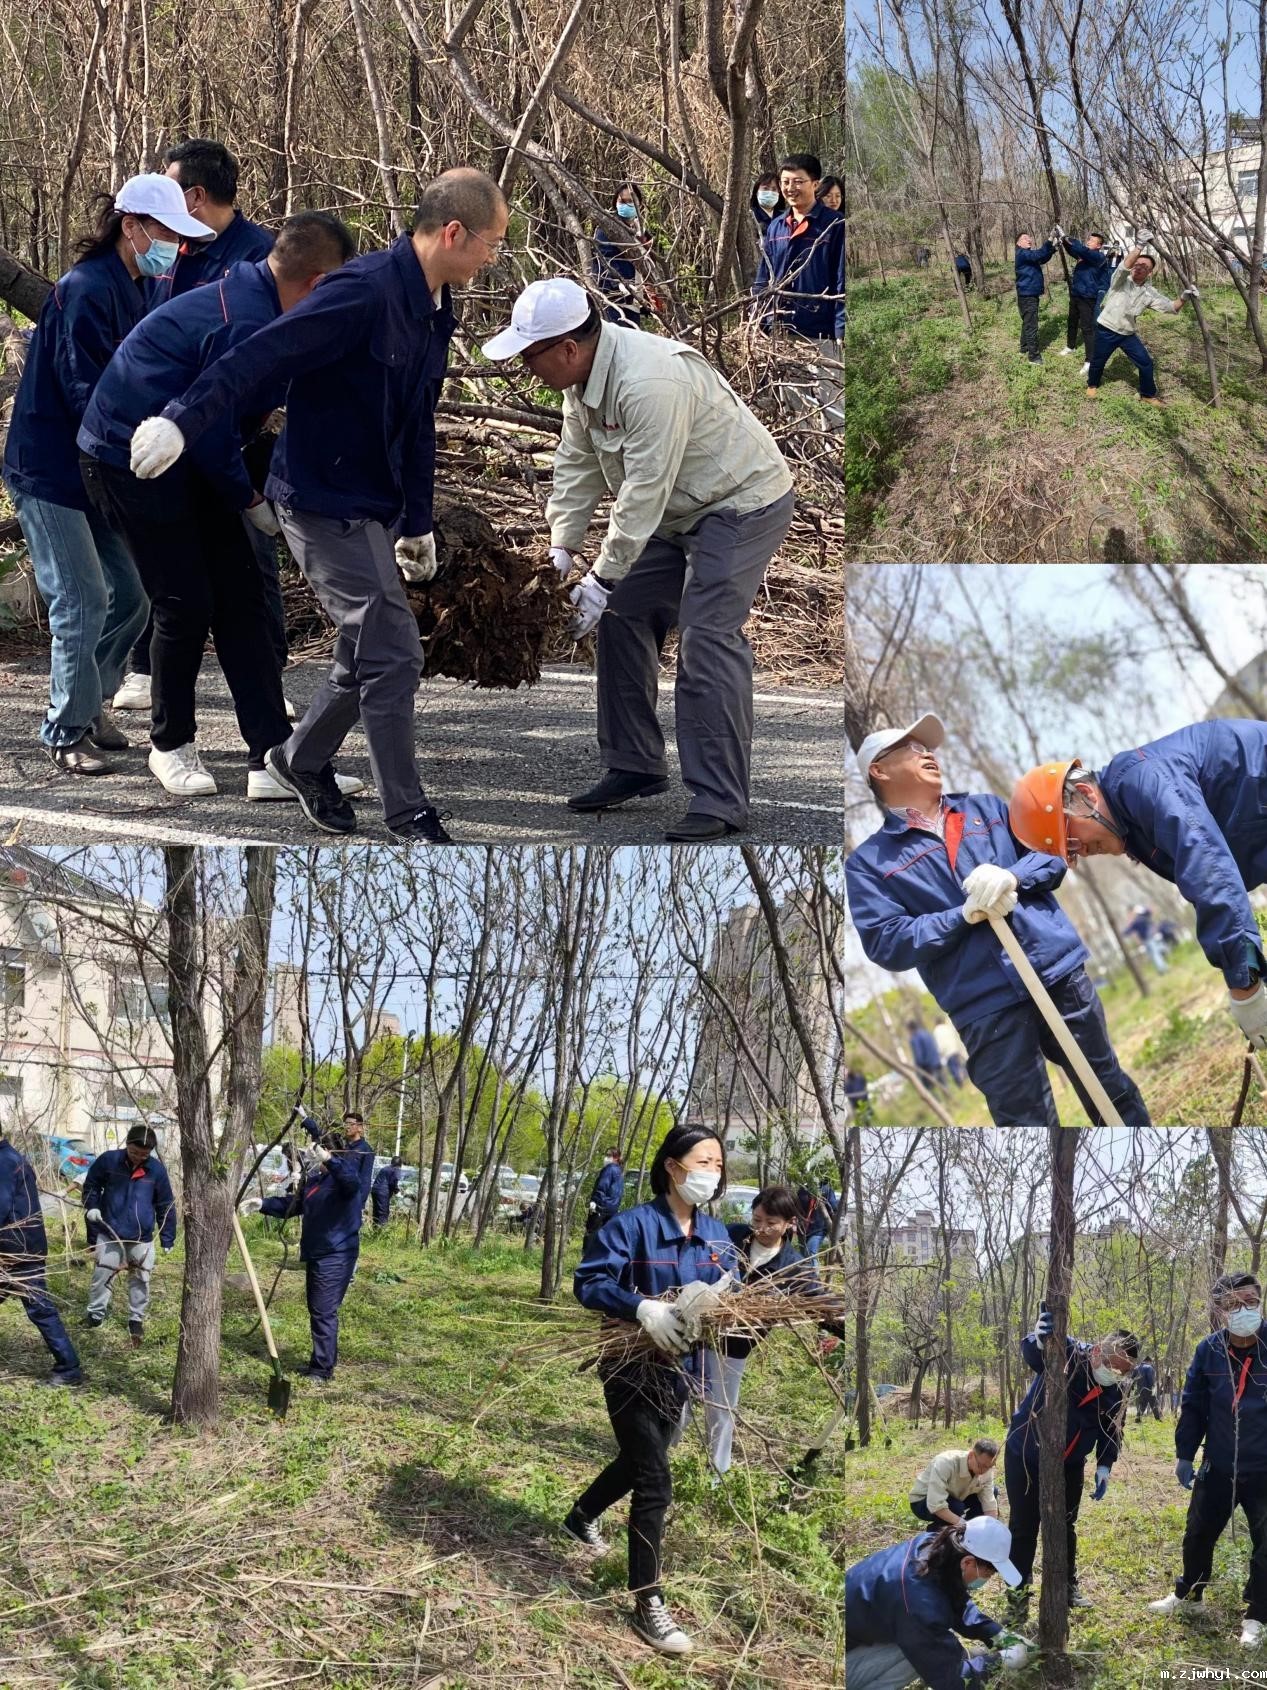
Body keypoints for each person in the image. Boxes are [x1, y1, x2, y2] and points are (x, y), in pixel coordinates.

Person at [128, 168, 510, 843]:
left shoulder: (434, 305)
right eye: (490, 243)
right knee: (393, 653)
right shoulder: (359, 292)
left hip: (374, 506)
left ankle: (299, 759)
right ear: (452, 232)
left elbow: (418, 420)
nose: (491, 257)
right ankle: (406, 813)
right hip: (318, 502)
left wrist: (417, 524)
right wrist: (182, 421)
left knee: (364, 653)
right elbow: (260, 354)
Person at [481, 277, 793, 842]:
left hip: (740, 504)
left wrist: (599, 578)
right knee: (623, 612)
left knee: (706, 636)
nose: (527, 367)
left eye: (530, 355)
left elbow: (643, 492)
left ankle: (720, 799)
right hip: (677, 512)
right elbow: (577, 467)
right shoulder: (582, 384)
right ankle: (635, 764)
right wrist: (562, 550)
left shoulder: (649, 382)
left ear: (568, 348)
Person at [80, 213, 360, 800]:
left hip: (196, 453)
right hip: (128, 456)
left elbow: (235, 426)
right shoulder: (247, 320)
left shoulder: (266, 300)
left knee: (244, 601)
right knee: (185, 600)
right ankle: (170, 744)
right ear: (317, 283)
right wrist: (249, 497)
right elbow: (205, 426)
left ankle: (272, 756)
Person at [847, 711, 1151, 1128]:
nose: (928, 753)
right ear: (879, 770)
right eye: (913, 748)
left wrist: (1013, 875)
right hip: (984, 1008)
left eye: (929, 747)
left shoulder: (988, 809)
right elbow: (886, 941)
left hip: (1056, 974)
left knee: (1109, 1088)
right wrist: (963, 915)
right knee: (1025, 1126)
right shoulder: (869, 863)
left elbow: (1051, 854)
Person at [1, 174, 208, 774]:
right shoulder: (86, 289)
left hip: (98, 467)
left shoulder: (138, 285)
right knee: (81, 599)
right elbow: (83, 390)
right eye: (167, 233)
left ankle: (89, 705)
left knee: (135, 597)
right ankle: (65, 731)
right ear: (131, 227)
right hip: (51, 469)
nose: (176, 246)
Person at [115, 136, 282, 718]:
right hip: (160, 424)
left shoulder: (258, 259)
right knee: (162, 562)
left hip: (227, 430)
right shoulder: (171, 246)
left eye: (170, 187)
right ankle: (144, 667)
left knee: (249, 565)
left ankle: (268, 680)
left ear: (196, 195)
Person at [563, 1122, 738, 1655]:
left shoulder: (718, 1237)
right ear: (672, 1165)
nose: (712, 1173)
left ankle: (580, 1516)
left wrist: (718, 1314)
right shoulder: (632, 1226)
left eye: (718, 1164)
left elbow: (733, 1294)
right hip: (627, 1366)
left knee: (645, 1458)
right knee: (656, 1480)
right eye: (702, 1162)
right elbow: (588, 1282)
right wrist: (640, 1307)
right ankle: (648, 1600)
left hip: (680, 1370)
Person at [1010, 722, 1267, 1052]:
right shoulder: (1131, 823)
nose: (1083, 853)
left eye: (1072, 841)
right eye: (1071, 854)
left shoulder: (1141, 782)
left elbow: (1207, 866)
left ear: (1086, 797)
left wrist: (1244, 983)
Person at [1149, 1273, 1267, 1648]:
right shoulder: (1209, 1350)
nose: (1243, 1310)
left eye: (1249, 1301)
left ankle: (1257, 1614)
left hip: (1264, 1469)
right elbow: (1194, 1405)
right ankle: (1189, 1594)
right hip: (1218, 1464)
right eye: (1233, 1304)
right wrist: (1185, 1455)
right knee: (1198, 1531)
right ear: (1220, 1310)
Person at [1003, 1307, 1136, 1615]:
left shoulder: (1115, 1393)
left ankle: (1065, 1587)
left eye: (1119, 1371)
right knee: (1023, 1527)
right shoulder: (1069, 1352)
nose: (1109, 1372)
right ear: (1098, 1349)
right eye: (1107, 1363)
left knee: (1065, 1526)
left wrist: (1105, 1464)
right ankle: (1016, 1595)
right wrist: (1038, 1339)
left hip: (1070, 1464)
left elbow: (1112, 1431)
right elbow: (1034, 1355)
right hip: (1025, 1454)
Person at [706, 1185, 843, 1475]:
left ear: (789, 1223)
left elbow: (818, 1304)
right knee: (679, 1396)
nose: (761, 1229)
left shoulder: (794, 1266)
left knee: (721, 1409)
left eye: (771, 1223)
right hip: (697, 1334)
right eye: (757, 1220)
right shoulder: (732, 1236)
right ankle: (664, 1455)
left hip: (735, 1347)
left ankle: (716, 1473)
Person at [845, 1516, 1027, 1690]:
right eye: (987, 1574)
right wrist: (1001, 1661)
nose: (986, 1580)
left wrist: (998, 1634)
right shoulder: (917, 1604)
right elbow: (953, 1681)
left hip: (862, 1635)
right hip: (843, 1663)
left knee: (928, 1642)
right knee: (920, 1653)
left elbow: (955, 1598)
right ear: (968, 1562)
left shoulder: (937, 1545)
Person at [752, 152, 844, 432]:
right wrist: (758, 316)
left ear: (814, 184)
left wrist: (841, 327)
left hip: (819, 331)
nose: (790, 188)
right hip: (782, 329)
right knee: (794, 404)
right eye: (785, 182)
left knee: (831, 403)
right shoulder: (777, 226)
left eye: (798, 182)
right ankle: (806, 453)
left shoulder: (834, 225)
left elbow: (842, 280)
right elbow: (764, 276)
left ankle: (836, 453)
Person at [0, 1130, 83, 1385]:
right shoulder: (12, 1158)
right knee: (41, 1310)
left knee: (41, 1310)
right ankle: (69, 1367)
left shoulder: (5, 1162)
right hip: (20, 1247)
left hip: (17, 1252)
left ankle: (69, 1369)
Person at [81, 1124, 177, 1342]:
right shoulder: (109, 1160)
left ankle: (136, 1319)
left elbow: (165, 1204)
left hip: (141, 1238)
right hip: (110, 1231)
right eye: (134, 1152)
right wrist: (92, 1206)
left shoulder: (156, 1170)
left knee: (141, 1279)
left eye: (144, 1154)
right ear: (127, 1145)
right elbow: (91, 1186)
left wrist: (167, 1237)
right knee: (102, 1275)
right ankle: (96, 1315)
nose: (138, 1158)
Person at [296, 1125, 367, 1382]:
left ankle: (322, 1369)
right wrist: (263, 1205)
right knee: (317, 1308)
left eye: (317, 1152)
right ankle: (321, 1360)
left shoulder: (344, 1180)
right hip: (317, 1251)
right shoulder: (317, 1181)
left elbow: (350, 1178)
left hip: (337, 1253)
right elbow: (294, 1205)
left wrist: (331, 1160)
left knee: (324, 1310)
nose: (311, 1156)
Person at [1084, 242, 1191, 404]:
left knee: (1146, 363)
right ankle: (1092, 384)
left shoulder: (1149, 292)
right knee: (1098, 360)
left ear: (1149, 273)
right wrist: (1139, 246)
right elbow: (1123, 267)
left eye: (1144, 266)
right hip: (1107, 328)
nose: (1139, 267)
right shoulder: (1120, 280)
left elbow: (1170, 307)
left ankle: (1147, 394)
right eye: (1137, 263)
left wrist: (1184, 298)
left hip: (1127, 333)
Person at [594, 185, 654, 326]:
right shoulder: (607, 228)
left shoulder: (640, 231)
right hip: (614, 299)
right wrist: (620, 284)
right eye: (622, 201)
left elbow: (649, 260)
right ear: (615, 202)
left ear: (639, 203)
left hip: (635, 300)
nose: (626, 205)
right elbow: (606, 259)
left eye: (631, 201)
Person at [1055, 227, 1112, 372]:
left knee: (1087, 328)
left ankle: (1090, 360)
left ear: (1099, 246)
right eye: (1089, 239)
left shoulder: (1098, 257)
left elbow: (1081, 250)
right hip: (1076, 294)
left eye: (1092, 241)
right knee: (1072, 321)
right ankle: (1070, 346)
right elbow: (1073, 251)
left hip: (1088, 297)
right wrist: (1064, 241)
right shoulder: (1084, 255)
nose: (1088, 242)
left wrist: (1068, 237)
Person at [909, 1439, 1000, 1526]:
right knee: (956, 1507)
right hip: (924, 1501)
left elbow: (989, 1503)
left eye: (989, 1466)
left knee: (993, 1491)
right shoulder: (945, 1463)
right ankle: (938, 1531)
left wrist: (991, 1525)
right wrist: (963, 1524)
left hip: (955, 1497)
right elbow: (935, 1504)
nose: (984, 1470)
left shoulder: (987, 1468)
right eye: (981, 1466)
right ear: (971, 1455)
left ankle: (972, 1531)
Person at [1013, 232, 1055, 363]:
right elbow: (1038, 255)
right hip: (1028, 296)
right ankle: (1034, 357)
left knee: (1027, 321)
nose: (1029, 239)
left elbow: (1042, 258)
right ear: (1018, 243)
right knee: (1032, 325)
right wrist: (1049, 240)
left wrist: (1053, 249)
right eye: (1024, 238)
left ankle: (1024, 347)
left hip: (1028, 294)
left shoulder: (1027, 255)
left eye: (1029, 237)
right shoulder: (1023, 253)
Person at [586, 1147, 625, 1234]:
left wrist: (594, 1202)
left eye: (608, 1155)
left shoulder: (609, 1169)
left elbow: (602, 1187)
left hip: (601, 1208)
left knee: (591, 1235)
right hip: (612, 1210)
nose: (606, 1158)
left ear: (616, 1158)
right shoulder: (620, 1171)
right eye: (606, 1155)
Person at [1123, 905, 1168, 975]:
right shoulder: (1141, 917)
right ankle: (1162, 967)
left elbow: (1127, 931)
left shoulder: (1138, 919)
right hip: (1149, 938)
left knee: (1154, 954)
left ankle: (1162, 969)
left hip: (1149, 938)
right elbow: (1127, 931)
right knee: (1154, 954)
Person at [907, 1021, 949, 1096]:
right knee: (943, 1083)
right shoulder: (926, 1033)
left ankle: (939, 1104)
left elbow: (919, 1056)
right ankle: (951, 1100)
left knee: (929, 1087)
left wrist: (918, 1068)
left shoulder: (915, 1038)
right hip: (937, 1061)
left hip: (928, 1066)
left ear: (910, 1029)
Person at [934, 1018, 968, 1087]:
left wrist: (940, 1053)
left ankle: (961, 1083)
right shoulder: (946, 1027)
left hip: (947, 1053)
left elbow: (939, 1044)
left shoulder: (936, 1031)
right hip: (954, 1049)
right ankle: (965, 1079)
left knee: (954, 1069)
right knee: (958, 1066)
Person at [370, 1155, 402, 1227]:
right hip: (383, 1193)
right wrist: (397, 1191)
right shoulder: (396, 1169)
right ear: (400, 1164)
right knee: (383, 1213)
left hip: (374, 1191)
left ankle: (374, 1230)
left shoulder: (385, 1168)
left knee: (376, 1212)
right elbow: (393, 1182)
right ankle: (381, 1232)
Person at [750, 174, 784, 240]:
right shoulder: (750, 215)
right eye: (765, 188)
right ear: (757, 191)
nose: (770, 192)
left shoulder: (784, 217)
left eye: (774, 189)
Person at [1134, 1354, 1162, 1422]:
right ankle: (1158, 1419)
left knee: (1142, 1404)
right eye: (1151, 1362)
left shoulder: (1136, 1368)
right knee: (1154, 1403)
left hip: (1140, 1390)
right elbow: (1150, 1379)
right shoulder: (1149, 1367)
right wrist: (1152, 1388)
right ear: (1149, 1361)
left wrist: (1133, 1388)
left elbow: (1132, 1378)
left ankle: (1138, 1418)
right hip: (1148, 1389)